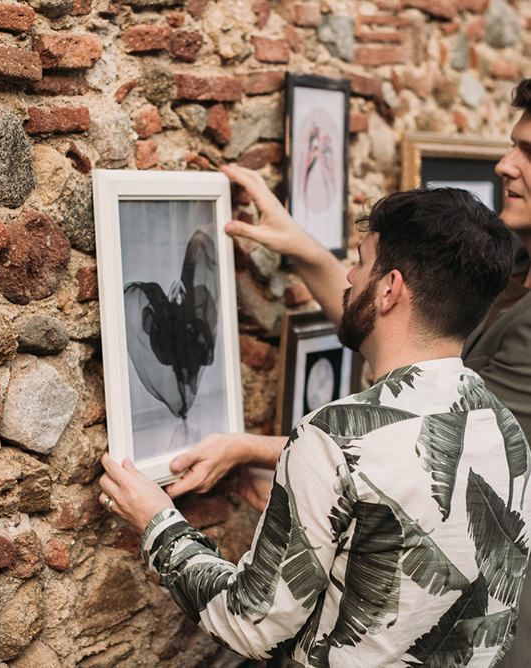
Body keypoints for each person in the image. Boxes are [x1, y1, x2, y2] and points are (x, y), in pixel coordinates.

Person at [164, 80, 531, 667]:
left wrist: (154, 523)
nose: (351, 281)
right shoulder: (504, 427)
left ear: (388, 288)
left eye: (359, 265)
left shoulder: (333, 438)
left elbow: (251, 626)